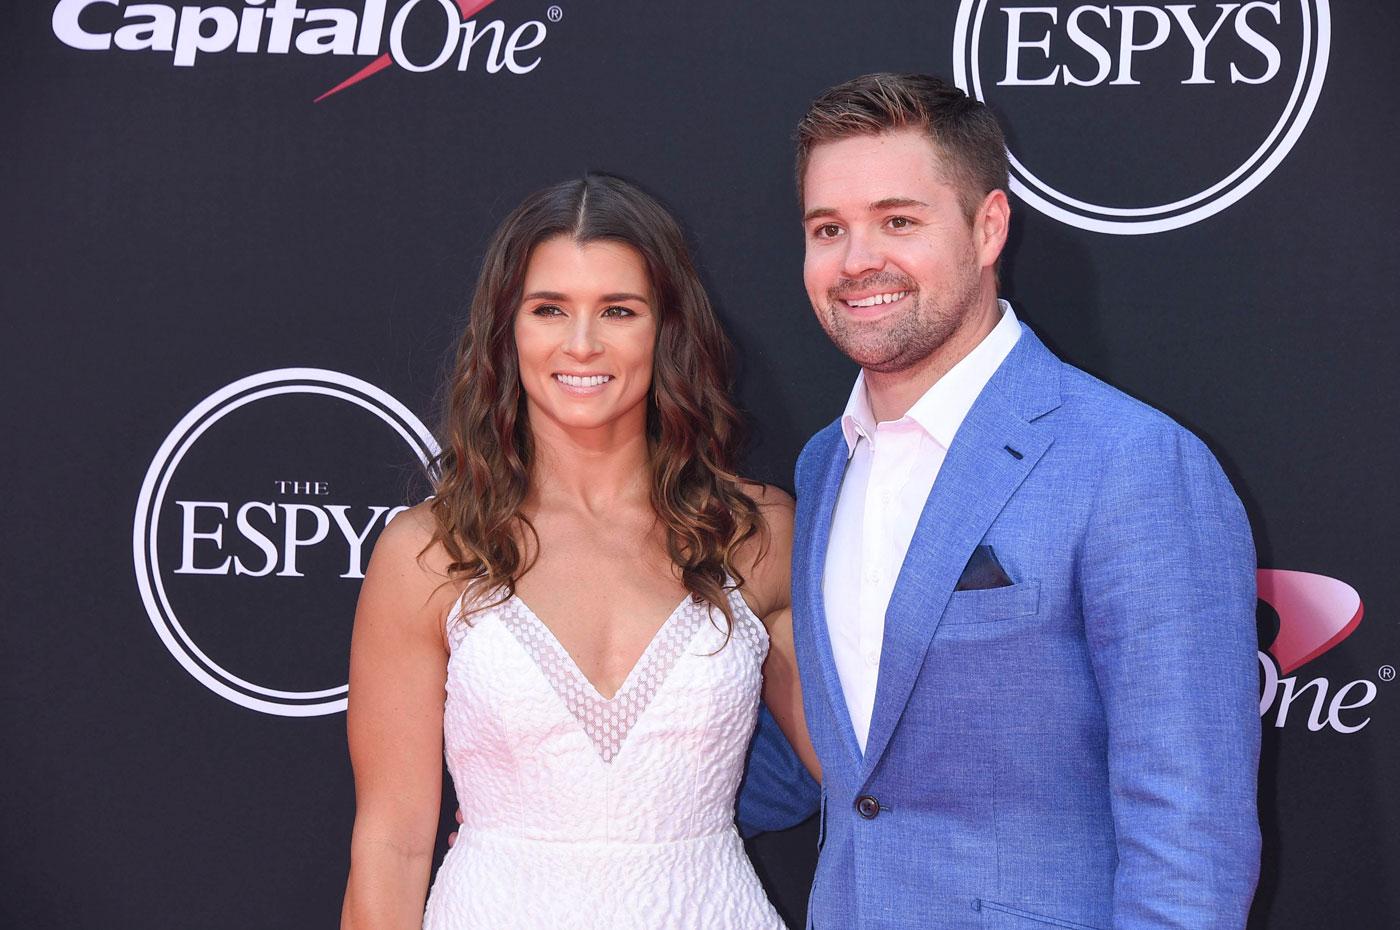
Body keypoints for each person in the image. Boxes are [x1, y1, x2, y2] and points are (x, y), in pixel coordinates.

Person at [739, 72, 1261, 929]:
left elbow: (1191, 835)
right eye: (828, 228)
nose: (857, 259)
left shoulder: (1133, 463)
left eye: (898, 221)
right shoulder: (823, 465)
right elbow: (849, 775)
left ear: (988, 228)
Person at [340, 174, 817, 930]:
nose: (582, 342)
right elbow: (391, 844)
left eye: (618, 310)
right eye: (549, 309)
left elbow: (871, 781)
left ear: (667, 330)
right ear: (507, 329)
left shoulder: (755, 534)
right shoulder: (429, 553)